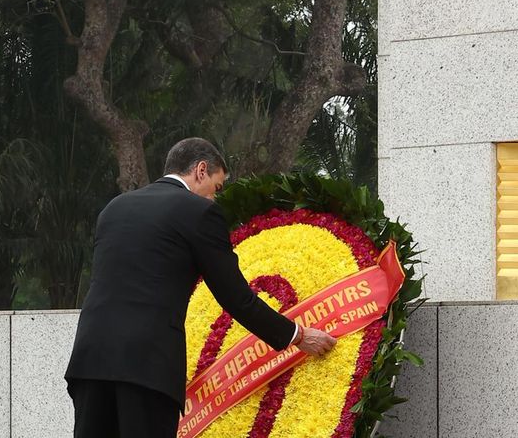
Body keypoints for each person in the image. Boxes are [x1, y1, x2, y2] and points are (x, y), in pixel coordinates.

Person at [65, 137, 336, 438]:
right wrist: (297, 335)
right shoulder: (197, 212)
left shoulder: (114, 208)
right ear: (201, 170)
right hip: (146, 366)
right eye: (217, 188)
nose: (214, 200)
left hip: (90, 362)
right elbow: (236, 298)